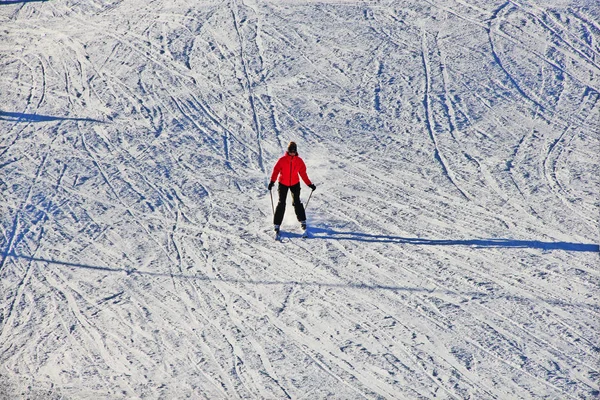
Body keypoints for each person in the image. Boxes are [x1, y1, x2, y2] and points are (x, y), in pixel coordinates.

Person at [268, 141, 316, 235]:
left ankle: (303, 221)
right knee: (282, 202)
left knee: (297, 202)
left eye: (294, 151)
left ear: (296, 151)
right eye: (291, 151)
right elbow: (276, 171)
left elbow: (303, 173)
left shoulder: (299, 161)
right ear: (288, 150)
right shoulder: (282, 160)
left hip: (295, 183)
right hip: (283, 183)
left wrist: (309, 184)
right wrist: (272, 182)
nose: (292, 153)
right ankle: (277, 224)